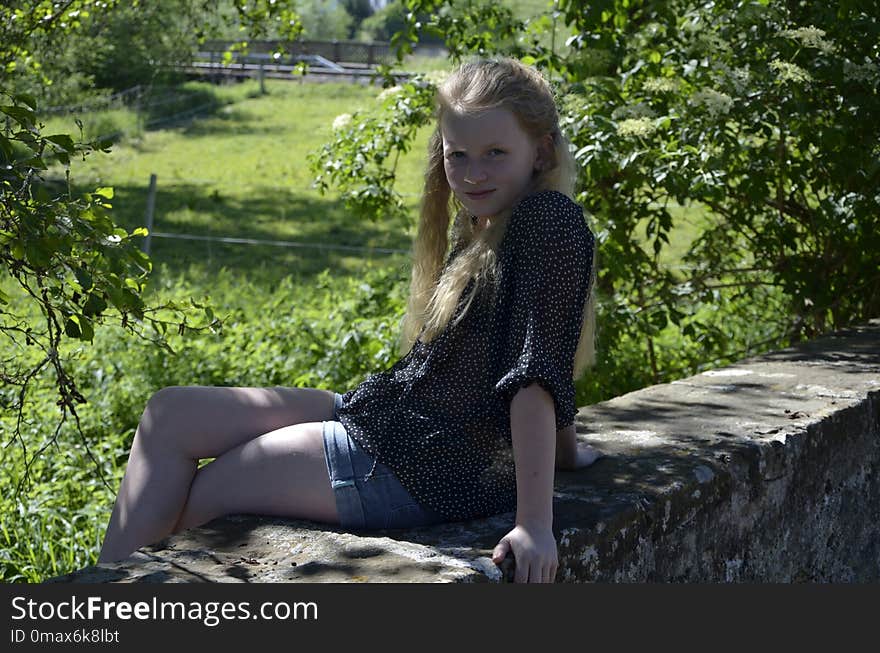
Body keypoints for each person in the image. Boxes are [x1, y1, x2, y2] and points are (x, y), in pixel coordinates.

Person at [98, 56, 602, 583]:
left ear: (541, 150)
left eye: (495, 153)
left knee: (206, 494)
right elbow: (544, 345)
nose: (472, 173)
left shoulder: (549, 220)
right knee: (170, 413)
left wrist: (534, 526)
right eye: (458, 154)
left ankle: (105, 611)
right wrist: (565, 453)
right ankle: (101, 599)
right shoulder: (488, 222)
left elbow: (534, 373)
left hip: (423, 467)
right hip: (390, 424)